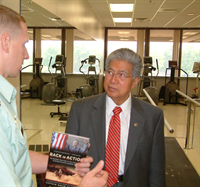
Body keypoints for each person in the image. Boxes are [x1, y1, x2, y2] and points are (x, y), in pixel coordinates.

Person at [0, 4, 108, 187]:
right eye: (24, 44)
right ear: (6, 42)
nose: (26, 55)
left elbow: (17, 157)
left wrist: (67, 164)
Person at [65, 48, 166, 187]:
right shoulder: (80, 110)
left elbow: (157, 171)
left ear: (135, 82)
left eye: (122, 75)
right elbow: (67, 166)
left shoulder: (152, 116)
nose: (113, 80)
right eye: (110, 72)